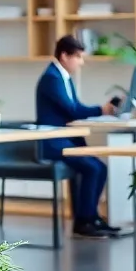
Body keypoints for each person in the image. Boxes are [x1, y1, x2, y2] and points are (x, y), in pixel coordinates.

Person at [35, 35, 120, 238]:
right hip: (53, 144)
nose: (81, 63)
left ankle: (91, 217)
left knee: (99, 167)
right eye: (78, 57)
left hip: (65, 140)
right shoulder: (52, 78)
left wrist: (101, 110)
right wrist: (102, 109)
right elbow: (73, 110)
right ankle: (84, 221)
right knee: (93, 167)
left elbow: (74, 108)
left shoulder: (63, 77)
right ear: (64, 55)